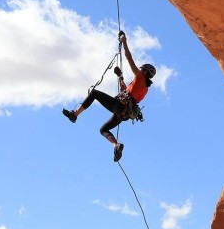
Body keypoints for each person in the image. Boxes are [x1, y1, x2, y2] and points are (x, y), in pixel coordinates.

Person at [61, 30, 156, 162]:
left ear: (144, 71)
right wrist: (120, 76)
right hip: (125, 114)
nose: (139, 70)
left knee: (94, 93)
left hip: (120, 106)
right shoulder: (145, 89)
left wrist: (124, 41)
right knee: (103, 129)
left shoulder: (140, 77)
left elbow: (129, 58)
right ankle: (116, 145)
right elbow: (126, 91)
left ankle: (75, 114)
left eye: (142, 70)